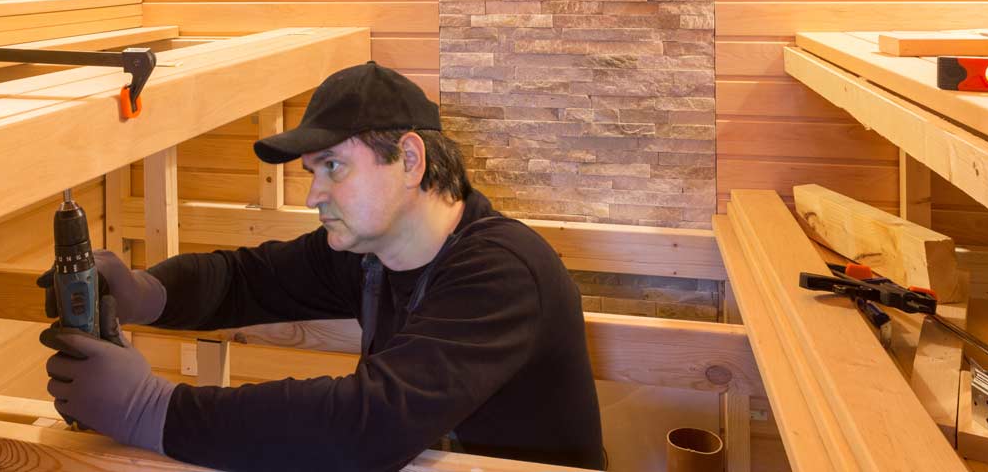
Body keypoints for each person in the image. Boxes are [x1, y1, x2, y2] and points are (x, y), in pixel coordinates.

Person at [42, 61, 605, 471]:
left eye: (333, 166)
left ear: (409, 159)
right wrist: (147, 292)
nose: (314, 194)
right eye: (313, 171)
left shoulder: (503, 274)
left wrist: (153, 410)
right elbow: (246, 279)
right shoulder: (370, 253)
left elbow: (370, 423)